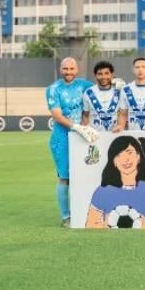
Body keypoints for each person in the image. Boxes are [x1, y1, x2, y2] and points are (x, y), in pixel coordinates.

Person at [45, 57, 97, 227]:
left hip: (82, 139)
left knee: (85, 176)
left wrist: (118, 84)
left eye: (71, 69)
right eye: (65, 69)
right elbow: (57, 115)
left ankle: (84, 212)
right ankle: (66, 217)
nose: (68, 72)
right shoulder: (53, 89)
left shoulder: (84, 85)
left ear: (77, 69)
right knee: (65, 179)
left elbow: (104, 87)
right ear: (61, 70)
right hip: (62, 140)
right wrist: (77, 127)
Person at [85, 135, 145, 229]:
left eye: (129, 152)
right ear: (114, 162)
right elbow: (89, 226)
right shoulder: (102, 192)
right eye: (118, 155)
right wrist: (107, 225)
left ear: (138, 156)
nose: (125, 159)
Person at [82, 61, 120, 133]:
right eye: (100, 74)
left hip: (115, 135)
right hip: (96, 136)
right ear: (95, 75)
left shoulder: (119, 91)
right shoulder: (88, 92)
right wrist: (86, 131)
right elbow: (85, 115)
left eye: (106, 73)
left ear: (112, 74)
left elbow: (124, 113)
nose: (103, 77)